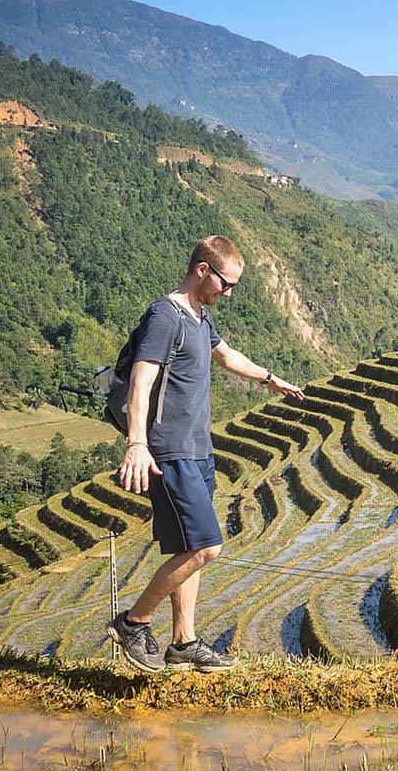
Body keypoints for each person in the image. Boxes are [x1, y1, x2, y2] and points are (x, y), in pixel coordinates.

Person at [106, 235, 304, 673]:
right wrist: (136, 443)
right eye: (225, 284)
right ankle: (133, 622)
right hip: (168, 450)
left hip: (198, 448)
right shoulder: (165, 316)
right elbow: (142, 379)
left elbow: (227, 357)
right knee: (207, 546)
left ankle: (184, 642)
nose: (228, 293)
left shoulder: (199, 317)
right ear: (202, 270)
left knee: (187, 546)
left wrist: (271, 380)